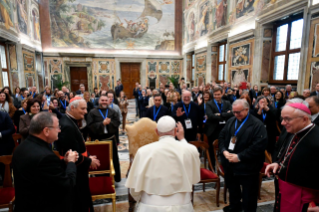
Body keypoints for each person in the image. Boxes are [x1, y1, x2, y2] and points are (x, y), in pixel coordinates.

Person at [125, 116, 200, 211]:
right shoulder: (190, 149)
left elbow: (134, 188)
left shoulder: (142, 152)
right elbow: (195, 178)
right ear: (176, 130)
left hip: (150, 207)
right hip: (182, 206)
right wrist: (182, 139)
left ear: (156, 131)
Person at [13, 112, 78, 212]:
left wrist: (63, 162)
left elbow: (40, 171)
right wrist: (71, 163)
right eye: (57, 127)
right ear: (46, 131)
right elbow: (68, 184)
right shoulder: (46, 156)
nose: (60, 130)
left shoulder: (22, 147)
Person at [265, 103, 319, 212]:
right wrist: (278, 163)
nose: (282, 123)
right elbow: (289, 154)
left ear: (304, 119)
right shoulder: (294, 131)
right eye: (282, 118)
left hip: (303, 201)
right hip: (284, 195)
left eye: (287, 119)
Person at [219, 99, 268, 212]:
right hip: (230, 165)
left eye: (238, 112)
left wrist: (239, 157)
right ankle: (234, 207)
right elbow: (221, 137)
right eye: (234, 112)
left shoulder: (257, 124)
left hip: (248, 167)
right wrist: (224, 151)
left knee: (249, 196)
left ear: (247, 110)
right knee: (233, 191)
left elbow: (258, 146)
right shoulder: (231, 121)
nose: (236, 115)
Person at [56, 96, 100, 212]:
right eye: (83, 109)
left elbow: (79, 145)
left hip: (79, 166)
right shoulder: (67, 126)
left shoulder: (70, 121)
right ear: (73, 108)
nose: (86, 112)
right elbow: (71, 153)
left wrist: (88, 155)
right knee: (80, 202)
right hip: (76, 170)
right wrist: (89, 161)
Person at [87, 94, 121, 182]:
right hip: (98, 141)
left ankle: (114, 178)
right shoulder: (92, 112)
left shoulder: (112, 112)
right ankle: (100, 179)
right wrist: (102, 124)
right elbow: (89, 126)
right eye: (102, 100)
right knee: (100, 160)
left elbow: (117, 123)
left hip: (110, 139)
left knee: (113, 159)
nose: (104, 102)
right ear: (99, 101)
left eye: (106, 100)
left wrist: (110, 123)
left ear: (109, 101)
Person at [205, 87, 233, 168]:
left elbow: (231, 114)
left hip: (225, 129)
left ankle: (224, 167)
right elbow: (210, 116)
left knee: (225, 149)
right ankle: (212, 168)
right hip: (213, 130)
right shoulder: (209, 104)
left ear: (222, 94)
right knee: (211, 150)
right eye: (215, 95)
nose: (217, 96)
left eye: (218, 94)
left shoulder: (227, 103)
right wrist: (225, 114)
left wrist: (220, 114)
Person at [0, 111, 15, 184]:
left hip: (4, 144)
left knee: (5, 168)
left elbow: (12, 129)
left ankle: (7, 183)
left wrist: (0, 134)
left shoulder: (4, 115)